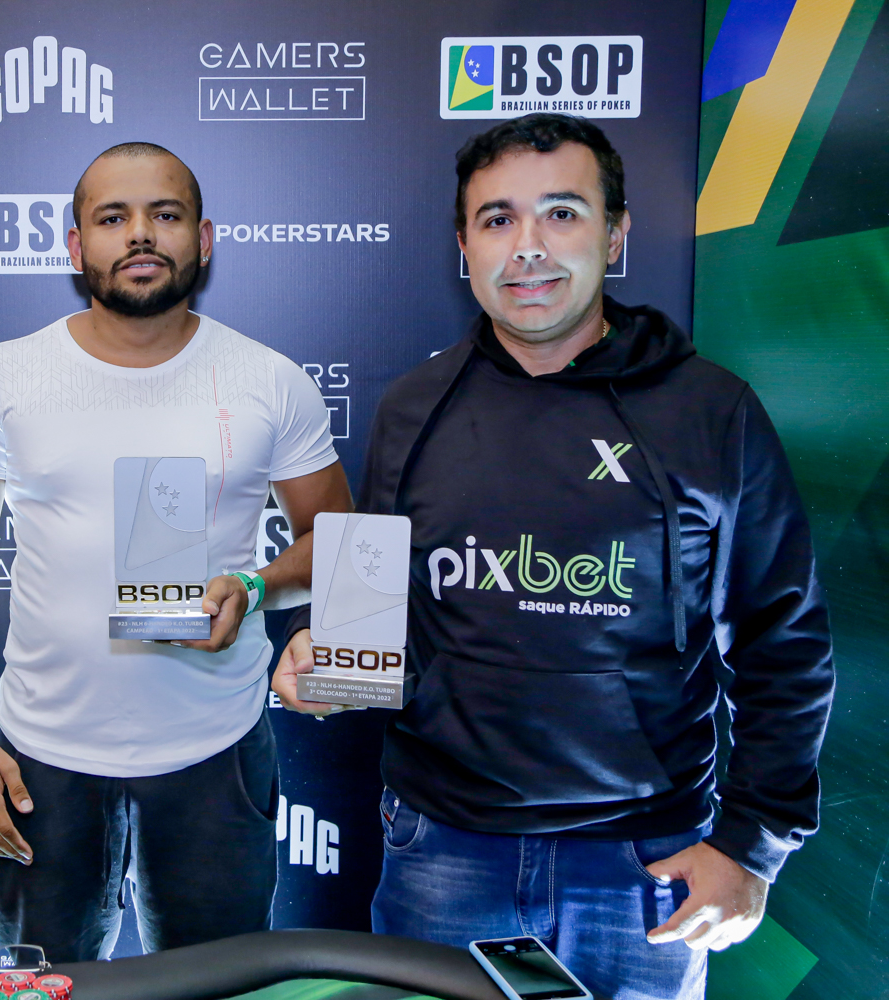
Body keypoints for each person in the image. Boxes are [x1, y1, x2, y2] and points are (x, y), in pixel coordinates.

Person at [273, 114, 834, 1000]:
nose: (527, 246)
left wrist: (751, 847)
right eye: (497, 219)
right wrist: (327, 660)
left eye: (562, 213)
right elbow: (371, 627)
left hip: (645, 864)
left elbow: (783, 640)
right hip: (441, 850)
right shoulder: (412, 407)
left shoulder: (711, 412)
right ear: (464, 245)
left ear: (615, 234)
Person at [0, 142, 353, 961]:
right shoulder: (7, 376)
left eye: (166, 214)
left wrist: (254, 586)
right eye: (113, 217)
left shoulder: (269, 380)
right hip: (40, 754)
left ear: (205, 238)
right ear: (76, 245)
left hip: (216, 751)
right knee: (47, 983)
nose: (141, 234)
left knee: (212, 984)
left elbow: (335, 540)